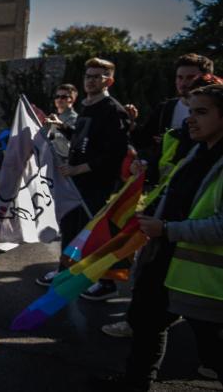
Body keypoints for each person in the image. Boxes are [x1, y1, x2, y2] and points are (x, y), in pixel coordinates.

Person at [92, 84, 223, 392]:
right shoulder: (195, 152)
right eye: (190, 112)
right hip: (164, 263)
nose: (191, 119)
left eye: (201, 112)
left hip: (201, 281)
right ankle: (136, 384)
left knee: (214, 352)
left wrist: (166, 229)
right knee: (146, 326)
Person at [36, 58, 131, 301]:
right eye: (88, 76)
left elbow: (114, 153)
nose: (90, 81)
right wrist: (63, 128)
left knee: (96, 232)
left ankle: (106, 282)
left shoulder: (113, 110)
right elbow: (82, 137)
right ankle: (65, 272)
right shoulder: (88, 105)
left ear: (109, 80)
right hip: (75, 182)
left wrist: (80, 169)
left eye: (97, 77)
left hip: (96, 183)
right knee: (70, 227)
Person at [127, 53, 213, 184]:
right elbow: (144, 141)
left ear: (206, 78)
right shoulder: (165, 108)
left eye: (190, 77)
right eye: (179, 77)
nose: (183, 83)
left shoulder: (215, 110)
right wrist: (131, 123)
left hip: (202, 180)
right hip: (166, 184)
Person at [44, 84, 79, 161]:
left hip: (63, 164)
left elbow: (70, 140)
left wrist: (51, 136)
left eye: (63, 97)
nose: (59, 99)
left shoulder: (75, 118)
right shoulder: (55, 116)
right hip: (50, 160)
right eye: (57, 96)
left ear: (72, 99)